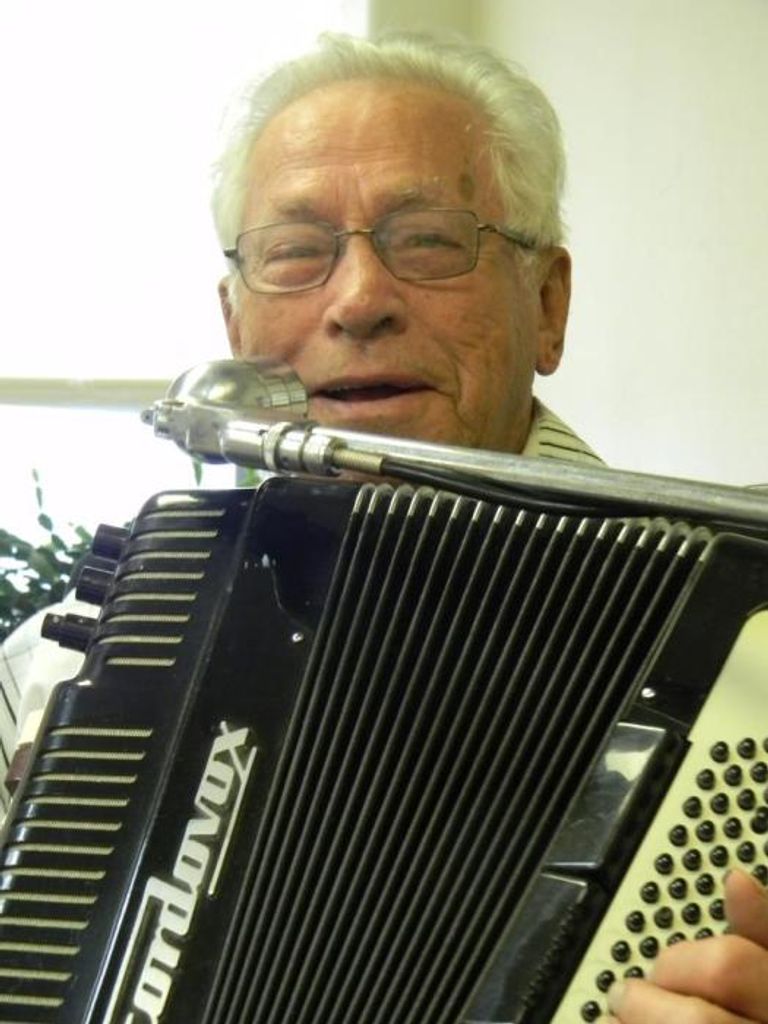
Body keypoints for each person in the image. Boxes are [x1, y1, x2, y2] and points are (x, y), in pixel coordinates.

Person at [2, 29, 767, 1023]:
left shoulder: (745, 645)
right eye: (295, 253)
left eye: (430, 241)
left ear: (548, 305)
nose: (359, 301)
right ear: (235, 327)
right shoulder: (59, 672)